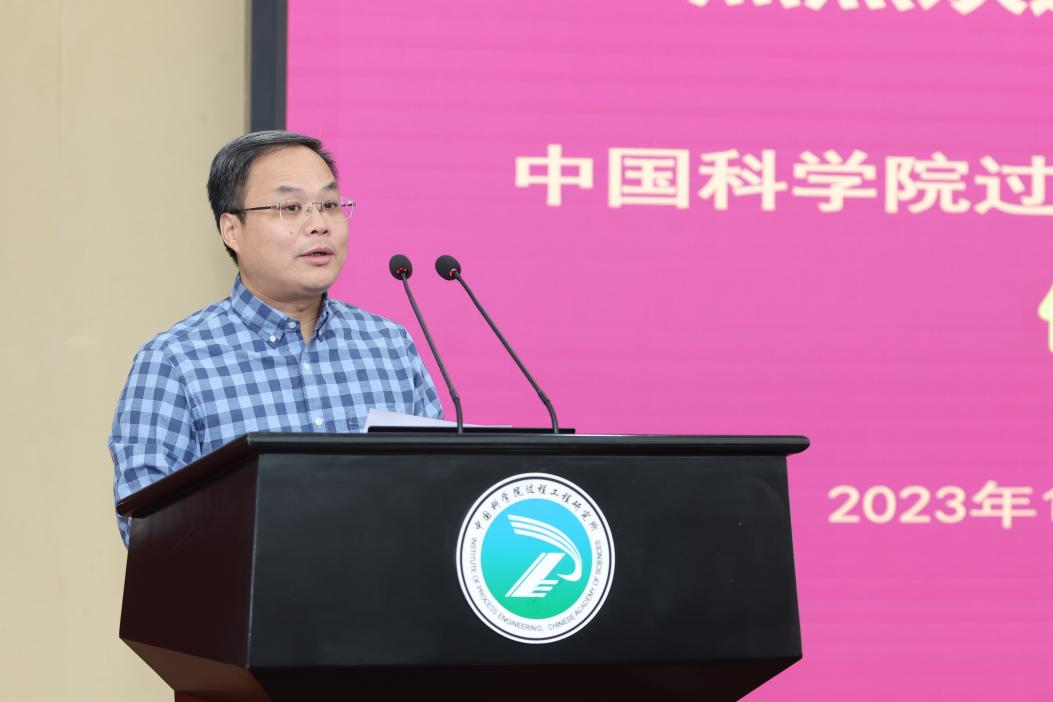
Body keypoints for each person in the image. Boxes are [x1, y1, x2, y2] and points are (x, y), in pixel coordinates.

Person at [108, 130, 443, 546]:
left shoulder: (389, 346)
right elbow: (148, 532)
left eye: (330, 205)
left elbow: (441, 489)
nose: (319, 225)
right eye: (291, 208)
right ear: (232, 229)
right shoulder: (175, 362)